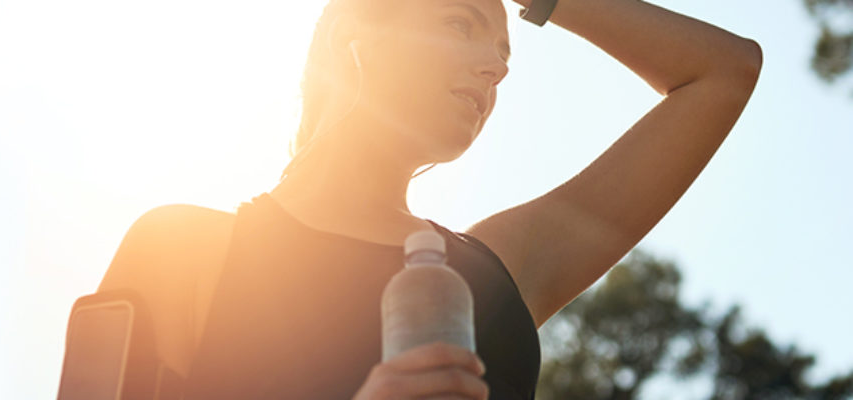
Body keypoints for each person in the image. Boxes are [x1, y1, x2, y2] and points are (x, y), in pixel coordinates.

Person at [96, 0, 762, 398]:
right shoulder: (182, 246)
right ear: (355, 32)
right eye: (461, 24)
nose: (497, 65)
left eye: (505, 52)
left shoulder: (498, 274)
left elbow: (724, 72)